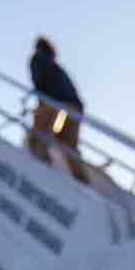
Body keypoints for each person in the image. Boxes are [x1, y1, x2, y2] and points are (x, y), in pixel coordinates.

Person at [28, 37, 90, 183]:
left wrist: (41, 105)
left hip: (55, 104)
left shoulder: (38, 59)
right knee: (69, 147)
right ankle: (81, 181)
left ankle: (40, 170)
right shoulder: (57, 67)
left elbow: (40, 82)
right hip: (75, 108)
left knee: (38, 138)